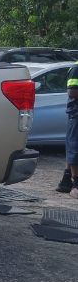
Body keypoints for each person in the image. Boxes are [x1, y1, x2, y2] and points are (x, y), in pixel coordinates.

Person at [56, 59, 78, 197]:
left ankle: (65, 181)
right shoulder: (76, 69)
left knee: (73, 148)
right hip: (76, 114)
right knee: (75, 149)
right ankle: (76, 185)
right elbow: (72, 92)